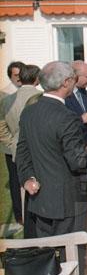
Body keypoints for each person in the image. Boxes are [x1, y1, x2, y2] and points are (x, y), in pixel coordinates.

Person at [15, 61, 87, 268]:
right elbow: (77, 162)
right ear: (66, 82)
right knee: (72, 258)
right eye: (73, 78)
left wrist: (27, 178)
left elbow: (22, 151)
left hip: (40, 197)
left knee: (46, 257)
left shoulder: (29, 112)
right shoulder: (67, 117)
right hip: (68, 199)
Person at [0, 65, 41, 226]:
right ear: (37, 79)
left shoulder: (7, 100)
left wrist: (12, 143)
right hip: (37, 147)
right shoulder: (41, 96)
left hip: (16, 148)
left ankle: (21, 216)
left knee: (18, 183)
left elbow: (2, 127)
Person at [65, 60, 87, 142]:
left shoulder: (83, 92)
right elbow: (61, 122)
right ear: (75, 76)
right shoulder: (64, 95)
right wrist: (81, 119)